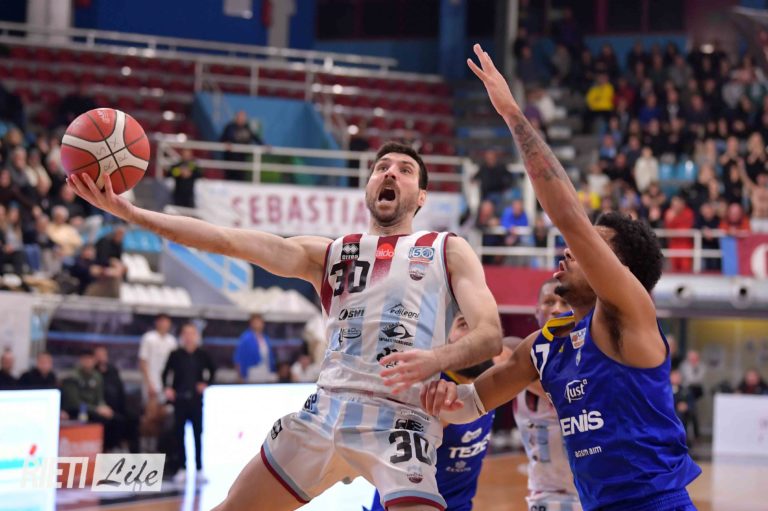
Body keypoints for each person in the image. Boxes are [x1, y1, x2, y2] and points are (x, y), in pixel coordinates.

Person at [67, 139, 502, 511]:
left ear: (421, 196)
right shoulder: (330, 253)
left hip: (399, 419)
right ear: (369, 185)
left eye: (405, 170)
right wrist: (131, 213)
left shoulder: (446, 249)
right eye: (381, 167)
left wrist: (436, 359)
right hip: (325, 412)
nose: (390, 173)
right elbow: (226, 240)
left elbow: (489, 335)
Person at [422, 45, 700, 511]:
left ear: (619, 269)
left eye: (595, 245)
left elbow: (569, 217)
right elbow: (471, 403)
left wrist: (513, 114)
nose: (571, 249)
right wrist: (434, 394)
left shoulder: (629, 314)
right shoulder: (546, 345)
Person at [369, 314, 495, 511]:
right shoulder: (426, 388)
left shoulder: (496, 374)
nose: (475, 334)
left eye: (480, 327)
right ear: (445, 339)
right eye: (463, 324)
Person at [508, 279, 581, 511]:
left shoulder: (589, 355)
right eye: (549, 302)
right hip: (547, 495)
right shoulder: (515, 352)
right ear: (537, 310)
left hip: (595, 491)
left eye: (564, 302)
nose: (556, 309)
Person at [162, 322, 215, 484]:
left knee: (198, 434)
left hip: (196, 400)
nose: (189, 337)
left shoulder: (202, 354)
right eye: (186, 333)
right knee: (180, 434)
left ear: (196, 336)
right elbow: (165, 373)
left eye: (192, 333)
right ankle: (182, 467)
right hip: (180, 400)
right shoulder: (175, 354)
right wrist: (168, 389)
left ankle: (199, 468)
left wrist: (205, 384)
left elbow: (213, 371)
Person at [138, 313, 177, 452]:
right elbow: (143, 361)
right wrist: (149, 383)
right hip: (152, 383)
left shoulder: (172, 341)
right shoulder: (149, 338)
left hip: (166, 386)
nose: (164, 324)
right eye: (162, 321)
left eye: (167, 322)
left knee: (162, 417)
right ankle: (144, 446)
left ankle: (157, 447)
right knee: (150, 416)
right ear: (157, 322)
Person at [233, 313, 276, 383]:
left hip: (265, 370)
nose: (259, 324)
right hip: (252, 371)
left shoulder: (265, 338)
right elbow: (238, 358)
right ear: (251, 324)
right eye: (256, 322)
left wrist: (272, 371)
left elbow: (270, 357)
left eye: (260, 322)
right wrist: (240, 376)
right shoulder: (246, 338)